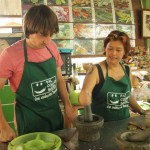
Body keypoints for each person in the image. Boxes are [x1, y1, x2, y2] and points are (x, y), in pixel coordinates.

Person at [0, 4, 76, 142]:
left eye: (51, 34)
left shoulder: (52, 47)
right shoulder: (10, 55)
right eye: (43, 35)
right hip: (29, 122)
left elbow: (59, 79)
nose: (47, 40)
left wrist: (67, 105)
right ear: (29, 29)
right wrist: (3, 127)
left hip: (54, 117)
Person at [79, 30, 150, 122]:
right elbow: (86, 92)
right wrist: (85, 96)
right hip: (101, 126)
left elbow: (126, 96)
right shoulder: (96, 70)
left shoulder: (127, 70)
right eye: (110, 49)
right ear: (105, 49)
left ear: (125, 51)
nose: (113, 53)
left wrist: (141, 111)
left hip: (124, 123)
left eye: (118, 50)